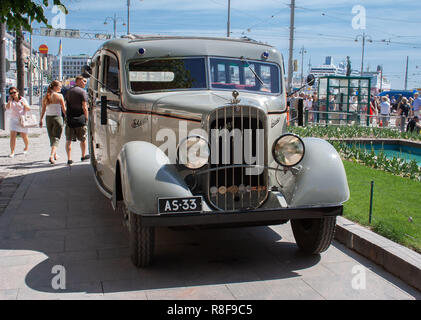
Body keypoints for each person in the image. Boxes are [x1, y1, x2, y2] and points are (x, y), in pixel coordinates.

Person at [39, 80, 66, 164]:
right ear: (55, 87)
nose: (61, 88)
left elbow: (43, 109)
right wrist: (67, 117)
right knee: (56, 138)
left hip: (48, 118)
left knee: (51, 137)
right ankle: (51, 156)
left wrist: (41, 119)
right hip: (57, 118)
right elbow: (63, 109)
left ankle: (55, 154)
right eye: (59, 86)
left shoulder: (46, 96)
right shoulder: (59, 96)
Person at [64, 75, 90, 165]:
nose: (85, 83)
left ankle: (69, 159)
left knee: (68, 140)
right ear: (78, 80)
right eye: (84, 81)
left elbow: (66, 104)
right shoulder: (82, 92)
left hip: (70, 119)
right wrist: (87, 117)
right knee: (83, 139)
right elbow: (85, 106)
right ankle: (83, 156)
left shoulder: (68, 91)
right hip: (80, 119)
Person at [4, 87, 31, 157]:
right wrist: (9, 101)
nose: (13, 94)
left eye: (14, 92)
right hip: (13, 119)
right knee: (12, 135)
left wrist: (24, 105)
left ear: (17, 92)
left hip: (22, 119)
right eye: (11, 93)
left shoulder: (23, 99)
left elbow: (28, 109)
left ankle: (26, 146)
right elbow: (7, 107)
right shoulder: (11, 101)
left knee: (24, 135)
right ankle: (12, 151)